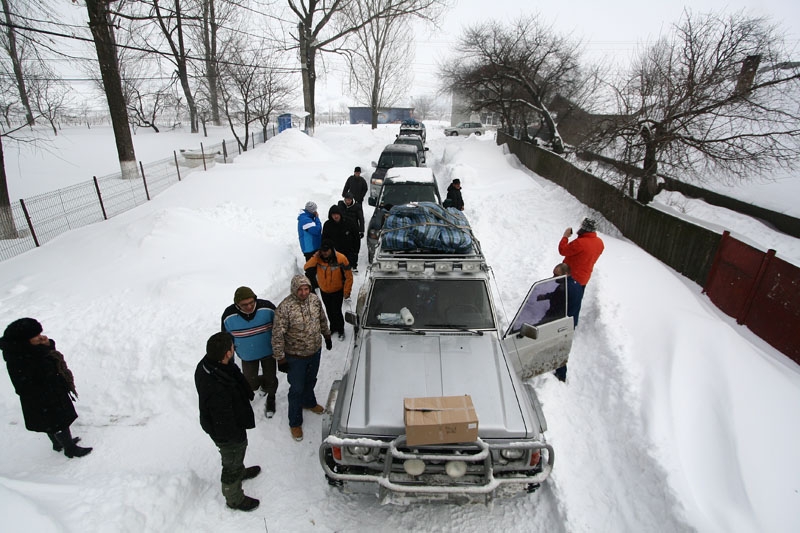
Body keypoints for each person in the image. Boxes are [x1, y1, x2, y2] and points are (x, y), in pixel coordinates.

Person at [1, 318, 93, 458]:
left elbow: (48, 357)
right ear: (24, 339)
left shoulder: (27, 349)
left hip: (49, 392)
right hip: (42, 397)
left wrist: (47, 344)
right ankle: (70, 449)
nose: (40, 337)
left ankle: (58, 443)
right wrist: (45, 386)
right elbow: (29, 379)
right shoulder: (19, 358)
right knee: (58, 422)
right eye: (36, 336)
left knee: (51, 423)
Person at [195, 332, 260, 512]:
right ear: (227, 354)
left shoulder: (212, 363)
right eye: (232, 346)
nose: (234, 348)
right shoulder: (216, 387)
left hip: (229, 424)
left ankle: (240, 471)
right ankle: (234, 498)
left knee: (236, 457)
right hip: (227, 433)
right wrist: (235, 439)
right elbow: (223, 420)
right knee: (231, 462)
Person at [271, 274, 332, 442]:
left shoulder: (314, 300)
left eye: (306, 289)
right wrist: (280, 358)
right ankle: (295, 421)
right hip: (295, 357)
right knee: (296, 388)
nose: (304, 292)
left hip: (315, 351)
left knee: (311, 380)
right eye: (300, 289)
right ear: (294, 290)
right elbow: (277, 335)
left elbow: (322, 318)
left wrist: (326, 335)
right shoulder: (285, 308)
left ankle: (309, 402)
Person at [221, 286, 278, 418]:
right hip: (247, 355)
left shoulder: (267, 308)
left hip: (268, 352)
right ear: (236, 304)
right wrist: (230, 363)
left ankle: (271, 397)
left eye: (251, 302)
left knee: (271, 379)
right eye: (244, 304)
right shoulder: (228, 316)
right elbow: (226, 340)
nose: (249, 307)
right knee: (250, 382)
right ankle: (262, 385)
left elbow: (280, 328)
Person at [304, 240, 353, 341]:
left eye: (326, 250)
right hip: (324, 290)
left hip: (337, 290)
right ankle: (333, 327)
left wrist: (347, 291)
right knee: (329, 310)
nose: (324, 253)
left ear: (331, 249)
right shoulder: (318, 259)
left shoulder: (341, 258)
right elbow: (306, 267)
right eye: (322, 251)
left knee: (336, 311)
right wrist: (315, 256)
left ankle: (340, 329)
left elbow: (349, 276)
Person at [549, 263, 582, 383]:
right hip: (571, 321)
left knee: (560, 348)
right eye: (553, 273)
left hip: (562, 324)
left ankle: (561, 375)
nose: (553, 277)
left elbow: (555, 305)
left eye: (556, 274)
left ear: (566, 274)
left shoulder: (564, 289)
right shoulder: (576, 285)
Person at [322, 204, 361, 271]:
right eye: (333, 214)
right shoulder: (328, 225)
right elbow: (324, 239)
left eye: (337, 214)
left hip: (349, 253)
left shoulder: (349, 222)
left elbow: (356, 238)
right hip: (335, 254)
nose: (336, 216)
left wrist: (356, 252)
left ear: (340, 214)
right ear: (331, 215)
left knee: (347, 274)